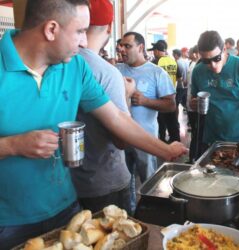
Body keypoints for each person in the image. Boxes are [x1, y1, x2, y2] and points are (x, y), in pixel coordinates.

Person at [0, 0, 187, 248]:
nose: (85, 42)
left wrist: (166, 150)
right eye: (79, 31)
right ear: (51, 29)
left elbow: (116, 117)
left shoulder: (75, 66)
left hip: (67, 209)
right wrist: (12, 146)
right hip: (9, 222)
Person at [71, 0, 136, 215]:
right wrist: (126, 96)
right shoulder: (106, 73)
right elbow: (122, 139)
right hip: (105, 182)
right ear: (109, 27)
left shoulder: (60, 63)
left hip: (69, 185)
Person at [116, 31, 176, 212]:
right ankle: (131, 216)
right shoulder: (117, 70)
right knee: (125, 183)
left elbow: (171, 105)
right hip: (120, 138)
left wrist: (145, 101)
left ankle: (153, 215)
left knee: (150, 182)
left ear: (140, 47)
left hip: (145, 139)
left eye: (127, 46)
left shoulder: (156, 72)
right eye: (121, 46)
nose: (122, 49)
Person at [191, 30, 239, 153]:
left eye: (216, 58)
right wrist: (193, 104)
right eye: (206, 61)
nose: (213, 65)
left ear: (224, 50)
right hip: (209, 140)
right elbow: (192, 100)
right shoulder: (198, 71)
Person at [148, 40, 181, 143]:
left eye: (154, 51)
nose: (153, 53)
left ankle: (161, 140)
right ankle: (175, 140)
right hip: (172, 94)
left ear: (157, 51)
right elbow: (179, 77)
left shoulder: (155, 62)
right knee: (172, 120)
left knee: (160, 120)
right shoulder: (173, 61)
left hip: (160, 96)